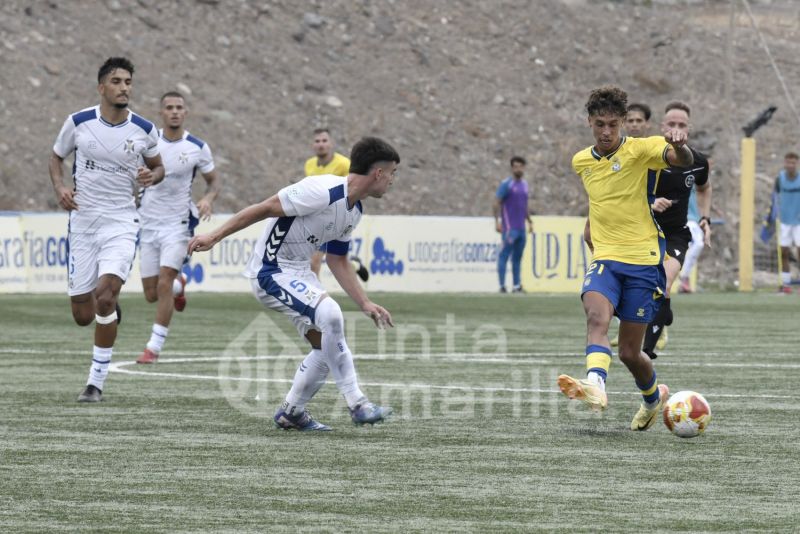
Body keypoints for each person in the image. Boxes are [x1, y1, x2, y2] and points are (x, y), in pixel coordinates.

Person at [188, 137, 399, 431]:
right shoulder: (322, 190)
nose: (392, 181)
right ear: (378, 173)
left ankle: (292, 413)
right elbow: (264, 208)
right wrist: (214, 236)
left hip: (300, 274)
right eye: (392, 173)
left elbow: (337, 260)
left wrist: (364, 302)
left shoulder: (354, 211)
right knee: (331, 315)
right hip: (271, 270)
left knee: (327, 348)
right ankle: (359, 404)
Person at [556, 86, 692, 431]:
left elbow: (683, 161)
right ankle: (596, 385)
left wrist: (678, 145)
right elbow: (600, 201)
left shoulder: (642, 149)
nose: (606, 132)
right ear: (589, 122)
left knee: (631, 353)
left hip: (644, 262)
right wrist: (591, 236)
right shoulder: (580, 161)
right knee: (595, 318)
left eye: (613, 125)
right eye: (600, 124)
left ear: (622, 124)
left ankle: (651, 398)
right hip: (606, 260)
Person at [48, 57, 164, 402]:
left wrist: (151, 176)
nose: (124, 87)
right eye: (116, 81)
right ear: (102, 87)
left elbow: (159, 167)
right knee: (83, 315)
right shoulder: (79, 122)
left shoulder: (144, 129)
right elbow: (56, 158)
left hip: (121, 222)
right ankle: (108, 312)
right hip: (83, 223)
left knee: (104, 296)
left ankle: (94, 384)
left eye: (128, 81)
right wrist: (59, 189)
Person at [135, 91, 220, 364]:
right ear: (161, 113)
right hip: (148, 222)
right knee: (151, 293)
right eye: (169, 107)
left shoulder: (197, 147)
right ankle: (178, 286)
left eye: (179, 107)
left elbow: (213, 181)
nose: (174, 112)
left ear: (186, 112)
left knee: (163, 281)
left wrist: (207, 198)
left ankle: (153, 347)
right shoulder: (147, 143)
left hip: (178, 224)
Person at [641, 102, 712, 358]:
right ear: (662, 127)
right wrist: (650, 202)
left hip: (675, 235)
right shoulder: (645, 157)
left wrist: (705, 218)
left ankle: (646, 353)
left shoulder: (698, 162)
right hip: (642, 232)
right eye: (671, 124)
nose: (676, 129)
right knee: (641, 291)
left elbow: (704, 188)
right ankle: (664, 310)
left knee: (664, 283)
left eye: (681, 125)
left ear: (689, 129)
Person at [303, 128, 369, 282]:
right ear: (312, 145)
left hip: (336, 219)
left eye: (324, 141)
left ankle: (315, 302)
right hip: (317, 218)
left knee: (314, 263)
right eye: (317, 141)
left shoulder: (344, 164)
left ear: (331, 143)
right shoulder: (309, 165)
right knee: (324, 261)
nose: (321, 144)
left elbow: (354, 188)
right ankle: (354, 265)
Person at [493, 156, 532, 293]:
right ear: (511, 168)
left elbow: (524, 205)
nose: (518, 169)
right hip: (509, 228)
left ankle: (516, 286)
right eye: (515, 166)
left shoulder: (525, 185)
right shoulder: (506, 184)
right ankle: (502, 286)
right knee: (504, 255)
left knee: (517, 258)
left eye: (520, 166)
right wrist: (497, 221)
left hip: (521, 228)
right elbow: (496, 202)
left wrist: (529, 221)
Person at [775, 152, 800, 293]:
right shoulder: (780, 179)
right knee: (784, 252)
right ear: (785, 163)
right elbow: (775, 197)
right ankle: (786, 284)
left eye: (793, 163)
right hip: (784, 220)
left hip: (798, 221)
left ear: (797, 164)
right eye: (788, 162)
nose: (790, 165)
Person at [678, 188, 705, 293]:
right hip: (684, 219)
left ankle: (684, 279)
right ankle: (684, 277)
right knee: (698, 244)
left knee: (695, 246)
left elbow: (704, 195)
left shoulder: (696, 176)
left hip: (694, 219)